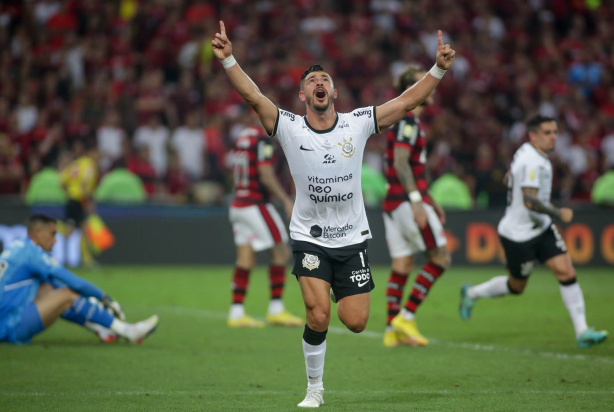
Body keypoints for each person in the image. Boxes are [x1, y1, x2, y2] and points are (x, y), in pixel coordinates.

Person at [212, 21, 455, 407]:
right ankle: (314, 389)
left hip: (353, 237)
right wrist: (228, 61)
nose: (318, 84)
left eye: (324, 79)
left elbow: (406, 102)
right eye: (312, 81)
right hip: (309, 234)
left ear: (334, 91)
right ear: (303, 94)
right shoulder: (289, 127)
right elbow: (254, 97)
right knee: (318, 314)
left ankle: (338, 330)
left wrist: (438, 68)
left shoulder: (357, 123)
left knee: (356, 321)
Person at [459, 114, 608, 349]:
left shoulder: (526, 152)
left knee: (566, 271)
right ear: (533, 135)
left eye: (555, 132)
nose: (553, 137)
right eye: (547, 133)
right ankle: (472, 293)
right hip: (518, 234)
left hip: (542, 227)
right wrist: (560, 214)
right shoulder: (532, 160)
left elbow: (509, 177)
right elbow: (529, 200)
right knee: (516, 286)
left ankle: (582, 331)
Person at [0, 214, 159, 344]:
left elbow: (56, 284)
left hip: (3, 322)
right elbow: (73, 282)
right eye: (52, 234)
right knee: (67, 294)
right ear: (36, 232)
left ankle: (102, 329)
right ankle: (127, 331)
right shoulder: (33, 254)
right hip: (10, 326)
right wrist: (104, 297)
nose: (55, 240)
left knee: (48, 288)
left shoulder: (17, 247)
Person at [381, 64, 451, 348]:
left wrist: (430, 199)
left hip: (393, 203)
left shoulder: (405, 121)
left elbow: (411, 167)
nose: (429, 86)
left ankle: (391, 331)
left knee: (402, 264)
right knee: (440, 258)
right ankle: (406, 317)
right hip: (405, 203)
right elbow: (400, 163)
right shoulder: (408, 121)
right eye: (423, 82)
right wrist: (417, 202)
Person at [227, 115, 303, 328]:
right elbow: (265, 174)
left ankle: (236, 312)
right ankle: (276, 309)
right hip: (255, 204)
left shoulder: (242, 137)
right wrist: (286, 200)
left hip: (238, 204)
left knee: (245, 257)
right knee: (281, 252)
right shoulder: (262, 140)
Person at [59, 139, 100, 267]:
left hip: (70, 200)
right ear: (91, 152)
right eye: (97, 153)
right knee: (82, 230)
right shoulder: (90, 164)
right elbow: (85, 183)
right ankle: (87, 260)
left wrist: (69, 193)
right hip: (79, 200)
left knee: (71, 230)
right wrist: (88, 201)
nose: (99, 156)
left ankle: (65, 257)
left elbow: (62, 181)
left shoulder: (74, 164)